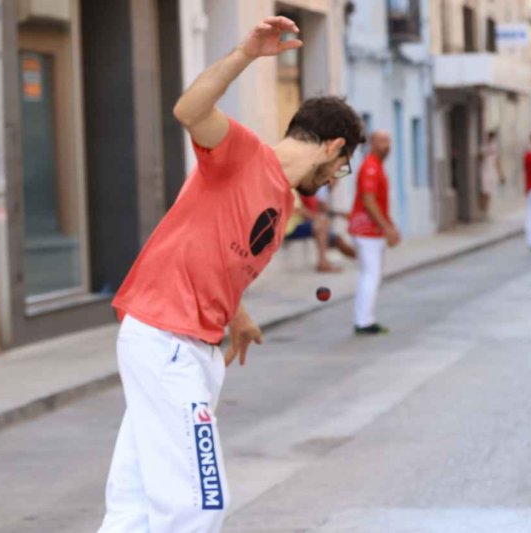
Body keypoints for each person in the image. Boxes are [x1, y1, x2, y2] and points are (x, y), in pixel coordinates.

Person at [98, 17, 365, 533]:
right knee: (200, 503)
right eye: (342, 165)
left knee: (135, 507)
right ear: (334, 147)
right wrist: (245, 53)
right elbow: (188, 110)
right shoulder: (241, 155)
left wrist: (236, 313)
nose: (336, 178)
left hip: (185, 345)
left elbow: (216, 252)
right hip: (167, 341)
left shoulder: (279, 201)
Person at [349, 131, 400, 335]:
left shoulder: (377, 166)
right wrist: (387, 228)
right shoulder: (370, 167)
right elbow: (369, 201)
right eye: (381, 142)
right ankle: (364, 321)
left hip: (373, 230)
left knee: (370, 275)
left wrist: (389, 226)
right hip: (366, 230)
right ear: (372, 144)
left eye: (388, 141)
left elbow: (378, 202)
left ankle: (365, 319)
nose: (385, 146)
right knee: (371, 275)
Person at [284, 191, 356, 272]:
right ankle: (323, 263)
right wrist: (317, 218)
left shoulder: (311, 193)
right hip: (290, 228)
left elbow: (323, 208)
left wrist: (339, 214)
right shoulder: (294, 189)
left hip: (300, 224)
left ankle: (360, 256)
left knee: (337, 238)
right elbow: (299, 209)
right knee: (323, 226)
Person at [479, 131, 504, 219]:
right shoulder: (483, 147)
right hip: (484, 171)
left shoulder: (495, 148)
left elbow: (497, 161)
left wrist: (501, 174)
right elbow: (480, 159)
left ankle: (486, 211)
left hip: (492, 172)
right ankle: (482, 211)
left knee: (489, 192)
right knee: (484, 191)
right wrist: (486, 153)